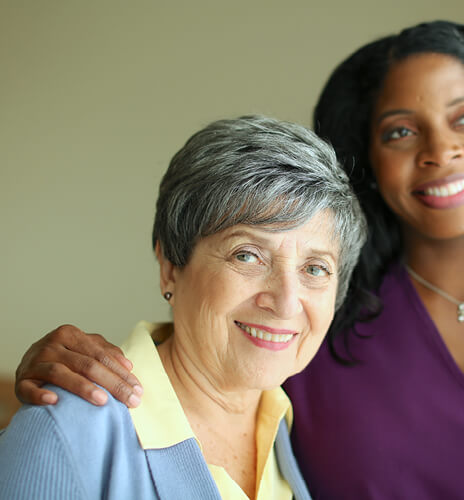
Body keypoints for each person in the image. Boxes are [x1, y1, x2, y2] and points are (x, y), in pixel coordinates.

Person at [12, 20, 464, 499]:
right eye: (400, 131)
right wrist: (46, 377)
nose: (439, 151)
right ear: (367, 161)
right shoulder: (323, 328)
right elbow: (182, 382)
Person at [0, 115, 367, 499]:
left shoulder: (293, 435)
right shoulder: (65, 430)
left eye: (315, 268)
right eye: (247, 256)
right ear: (170, 266)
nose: (286, 301)